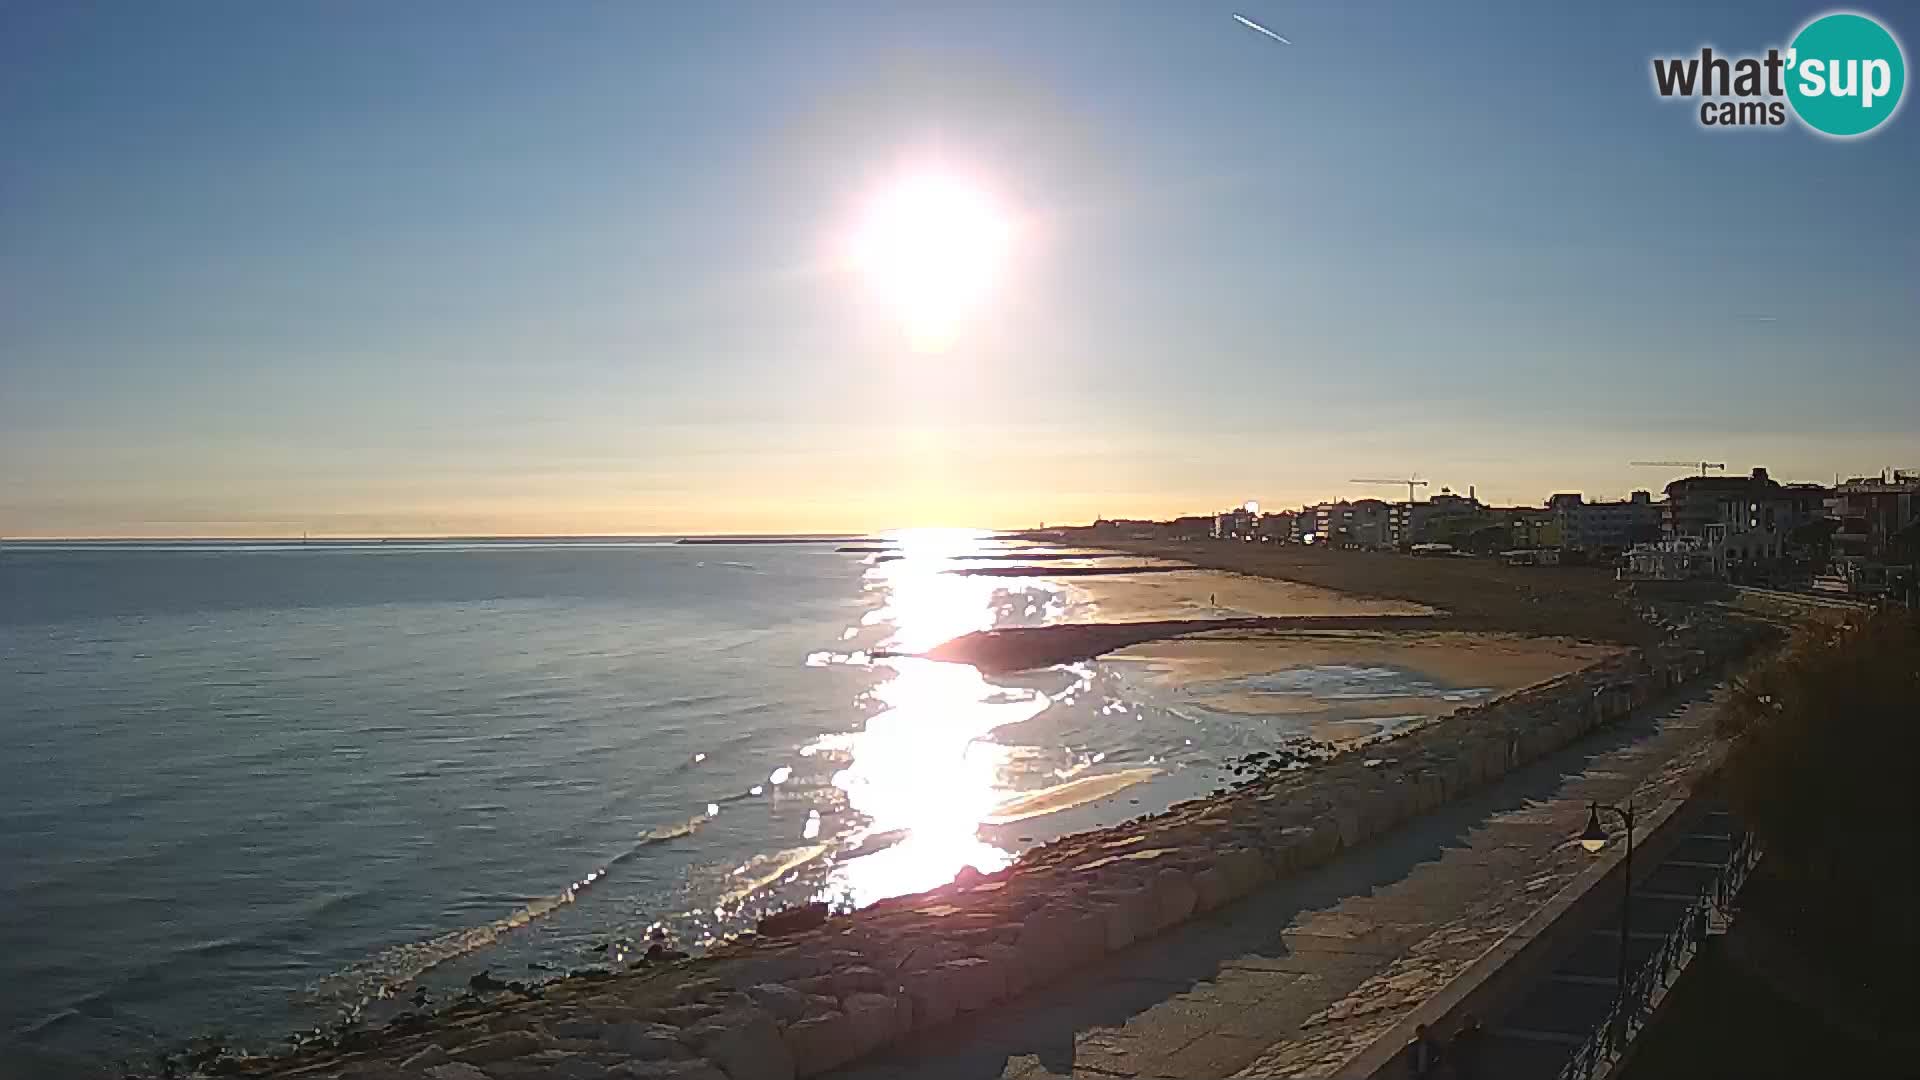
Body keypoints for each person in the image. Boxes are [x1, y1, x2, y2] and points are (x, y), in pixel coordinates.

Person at [1449, 1014, 1485, 1080]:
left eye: (1470, 1021)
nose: (1468, 1023)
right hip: (1465, 1065)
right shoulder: (1459, 1035)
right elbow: (1452, 1050)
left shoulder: (1478, 1032)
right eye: (1466, 1021)